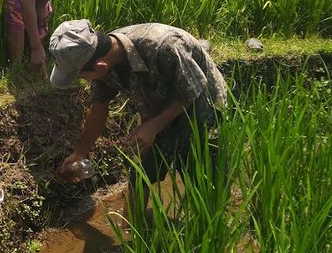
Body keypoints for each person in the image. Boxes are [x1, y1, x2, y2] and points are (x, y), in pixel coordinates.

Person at [48, 19, 227, 209]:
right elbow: (98, 108)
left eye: (83, 76)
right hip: (157, 107)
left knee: (202, 176)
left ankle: (208, 226)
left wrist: (153, 126)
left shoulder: (165, 45)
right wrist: (79, 152)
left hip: (202, 104)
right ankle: (132, 229)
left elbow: (192, 90)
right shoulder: (102, 59)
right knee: (140, 173)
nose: (84, 80)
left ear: (99, 66)